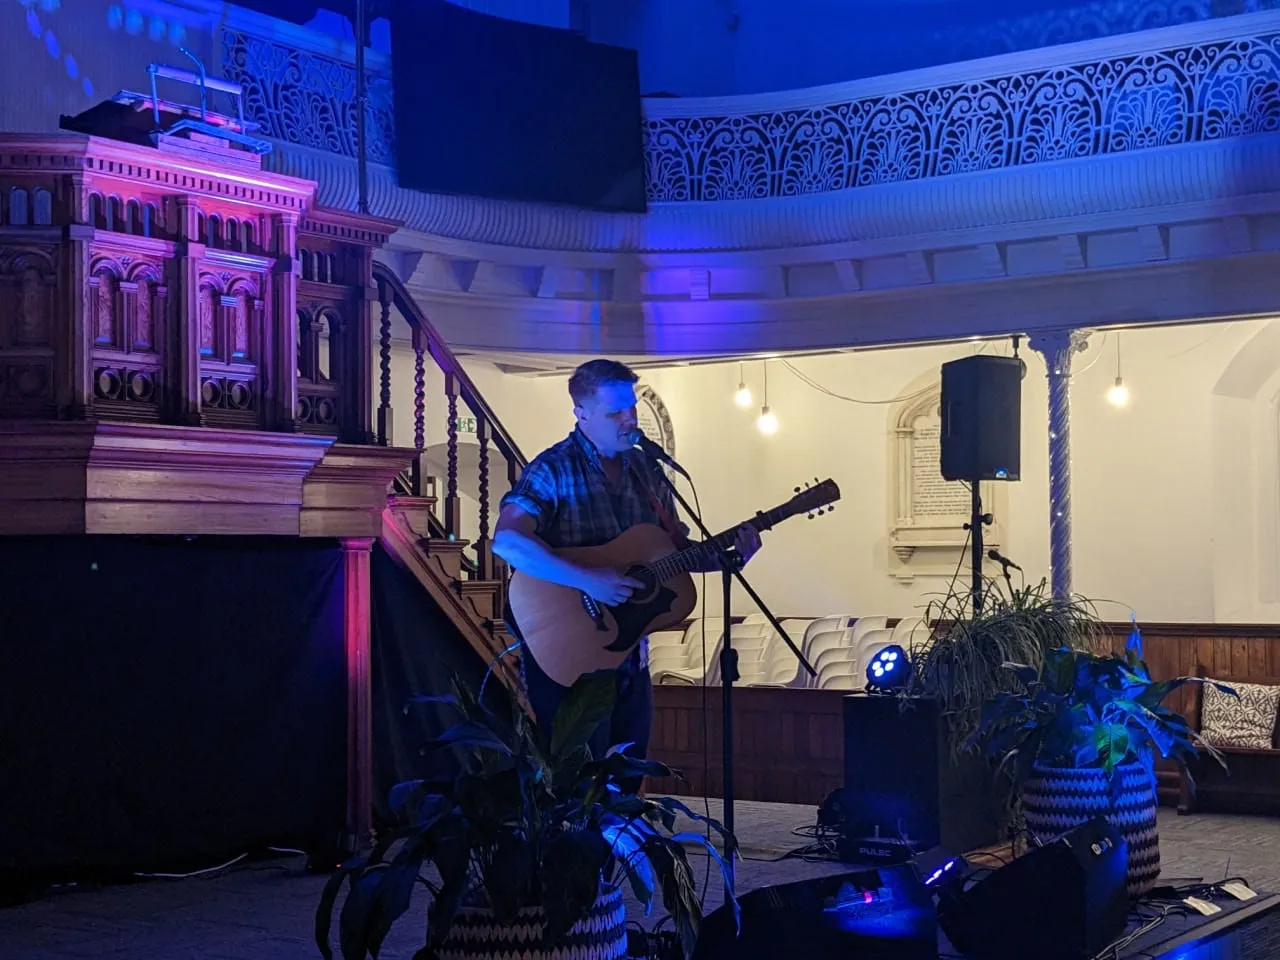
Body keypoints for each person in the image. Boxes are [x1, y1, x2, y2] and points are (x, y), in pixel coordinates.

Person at [493, 358, 761, 763]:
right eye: (615, 412)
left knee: (628, 776)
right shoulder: (553, 469)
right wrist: (587, 580)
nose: (629, 420)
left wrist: (730, 557)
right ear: (581, 414)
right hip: (569, 651)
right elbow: (508, 541)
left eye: (631, 407)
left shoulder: (646, 471)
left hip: (631, 651)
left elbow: (673, 556)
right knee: (578, 785)